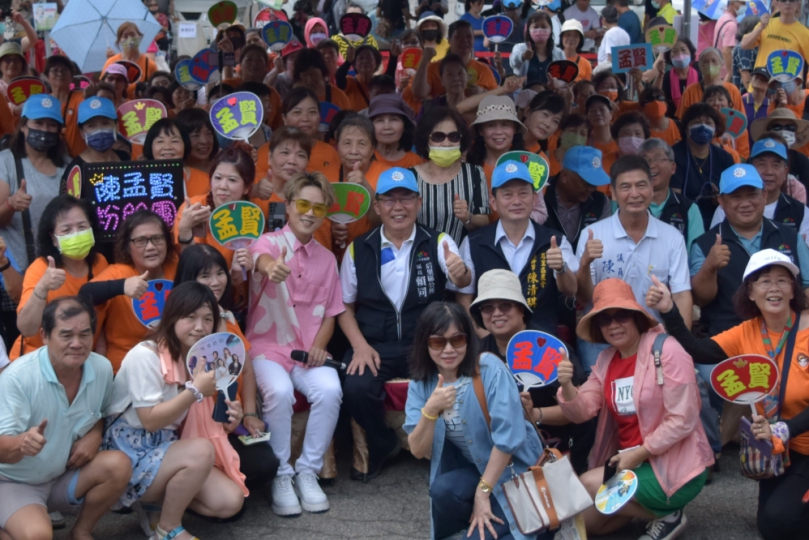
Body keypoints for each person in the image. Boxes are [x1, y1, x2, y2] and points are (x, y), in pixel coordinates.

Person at [649, 249, 809, 540]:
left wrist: (786, 428)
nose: (774, 288)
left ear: (793, 290)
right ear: (750, 292)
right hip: (780, 450)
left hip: (800, 440)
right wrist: (669, 310)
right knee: (771, 525)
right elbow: (698, 349)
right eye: (764, 281)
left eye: (782, 281)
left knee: (783, 523)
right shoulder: (747, 332)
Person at [339, 167, 471, 482]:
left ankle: (451, 450)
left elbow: (462, 280)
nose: (398, 207)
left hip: (427, 343)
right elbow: (343, 305)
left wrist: (459, 271)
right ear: (377, 206)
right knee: (356, 386)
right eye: (389, 200)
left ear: (419, 202)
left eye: (406, 198)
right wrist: (359, 345)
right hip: (375, 344)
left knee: (459, 381)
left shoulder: (438, 241)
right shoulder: (359, 248)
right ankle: (384, 444)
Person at [559, 278, 712, 539]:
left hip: (673, 463)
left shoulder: (668, 350)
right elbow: (582, 411)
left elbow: (683, 419)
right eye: (604, 320)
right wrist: (567, 385)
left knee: (589, 484)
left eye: (621, 315)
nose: (614, 325)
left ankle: (668, 514)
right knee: (591, 523)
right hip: (630, 463)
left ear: (637, 318)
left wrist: (638, 453)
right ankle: (653, 512)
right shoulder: (606, 360)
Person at [103, 282, 246, 539]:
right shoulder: (145, 356)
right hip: (129, 453)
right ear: (171, 317)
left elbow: (200, 418)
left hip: (168, 447)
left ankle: (155, 503)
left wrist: (231, 419)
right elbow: (149, 421)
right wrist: (195, 391)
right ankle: (167, 528)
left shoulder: (197, 361)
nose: (200, 327)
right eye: (190, 317)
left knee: (229, 502)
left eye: (207, 319)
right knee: (202, 450)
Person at [404, 301, 547, 540]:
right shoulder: (421, 384)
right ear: (425, 343)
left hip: (517, 474)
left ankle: (534, 526)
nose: (448, 349)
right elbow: (418, 450)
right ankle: (481, 523)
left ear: (468, 340)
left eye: (457, 339)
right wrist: (431, 409)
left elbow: (507, 441)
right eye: (438, 342)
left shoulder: (489, 368)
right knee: (442, 491)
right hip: (479, 470)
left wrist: (482, 494)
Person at [247, 172, 344, 516]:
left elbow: (331, 311)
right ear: (288, 206)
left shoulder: (328, 258)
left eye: (318, 207)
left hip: (308, 352)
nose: (309, 212)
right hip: (267, 347)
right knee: (279, 391)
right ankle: (281, 474)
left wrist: (320, 345)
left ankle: (307, 471)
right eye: (302, 203)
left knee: (331, 390)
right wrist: (271, 267)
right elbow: (259, 256)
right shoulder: (270, 243)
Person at [0, 296, 131, 540]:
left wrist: (94, 433)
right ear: (45, 335)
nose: (77, 343)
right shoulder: (18, 377)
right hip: (14, 482)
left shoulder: (101, 368)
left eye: (84, 334)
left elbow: (101, 413)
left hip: (60, 475)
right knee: (38, 535)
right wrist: (21, 443)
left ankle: (80, 532)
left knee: (119, 465)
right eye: (66, 335)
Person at [173, 244, 279, 491]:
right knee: (234, 501)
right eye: (205, 276)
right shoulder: (182, 324)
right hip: (195, 427)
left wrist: (250, 413)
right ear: (190, 279)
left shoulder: (228, 317)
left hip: (233, 418)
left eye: (220, 273)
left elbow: (247, 369)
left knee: (266, 464)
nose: (215, 281)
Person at [575, 156, 693, 371]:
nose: (635, 194)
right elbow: (584, 298)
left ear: (651, 187)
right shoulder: (593, 235)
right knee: (598, 393)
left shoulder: (672, 236)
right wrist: (584, 264)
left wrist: (682, 341)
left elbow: (682, 294)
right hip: (604, 334)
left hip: (654, 333)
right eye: (626, 187)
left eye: (641, 185)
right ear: (612, 192)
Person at [454, 159, 579, 335]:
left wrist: (561, 267)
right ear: (493, 202)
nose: (517, 201)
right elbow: (464, 297)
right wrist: (481, 335)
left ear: (535, 198)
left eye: (523, 193)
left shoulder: (555, 241)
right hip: (491, 345)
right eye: (507, 195)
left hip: (541, 342)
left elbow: (571, 290)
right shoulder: (474, 243)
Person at [690, 162, 809, 336]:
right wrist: (709, 266)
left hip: (785, 336)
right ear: (721, 201)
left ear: (764, 195)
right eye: (736, 197)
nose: (745, 203)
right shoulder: (704, 244)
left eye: (752, 195)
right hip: (727, 341)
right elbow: (700, 299)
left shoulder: (790, 236)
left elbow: (807, 285)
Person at [11, 195, 107, 362]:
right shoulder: (40, 268)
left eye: (82, 226)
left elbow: (103, 321)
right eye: (66, 230)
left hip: (81, 360)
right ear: (53, 238)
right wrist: (42, 287)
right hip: (37, 361)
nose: (76, 234)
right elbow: (26, 328)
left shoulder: (100, 263)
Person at [79, 211, 178, 373]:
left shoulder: (176, 266)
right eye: (141, 241)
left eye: (157, 238)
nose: (151, 246)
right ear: (128, 247)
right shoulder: (118, 272)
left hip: (173, 363)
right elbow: (84, 294)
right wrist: (122, 286)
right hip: (127, 368)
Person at [173, 146, 255, 302]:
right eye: (217, 178)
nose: (222, 186)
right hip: (196, 297)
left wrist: (239, 273)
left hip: (235, 299)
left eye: (232, 180)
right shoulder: (194, 207)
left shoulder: (250, 215)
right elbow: (189, 265)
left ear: (247, 187)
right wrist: (184, 230)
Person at [0, 94, 68, 272]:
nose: (45, 129)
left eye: (52, 125)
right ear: (23, 126)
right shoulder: (6, 161)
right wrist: (11, 204)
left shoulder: (67, 166)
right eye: (38, 123)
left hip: (58, 267)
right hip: (16, 269)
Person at [411, 106, 490, 245]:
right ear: (425, 141)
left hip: (462, 258)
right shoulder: (409, 176)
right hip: (420, 258)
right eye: (438, 137)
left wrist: (468, 217)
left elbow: (484, 222)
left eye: (453, 137)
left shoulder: (475, 173)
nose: (446, 143)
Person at [710, 138, 809, 242]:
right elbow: (713, 246)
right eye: (762, 164)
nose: (769, 172)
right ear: (750, 167)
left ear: (785, 172)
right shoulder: (726, 208)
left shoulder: (801, 212)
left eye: (776, 165)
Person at [670, 103, 737, 226]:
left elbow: (734, 196)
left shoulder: (724, 158)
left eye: (708, 123)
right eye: (696, 122)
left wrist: (721, 198)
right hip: (683, 219)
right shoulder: (674, 155)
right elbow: (674, 197)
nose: (702, 126)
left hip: (717, 220)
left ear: (716, 129)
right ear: (685, 128)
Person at [639, 138, 705, 251]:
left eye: (657, 158)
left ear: (673, 168)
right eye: (645, 160)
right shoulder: (625, 205)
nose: (651, 165)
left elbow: (697, 258)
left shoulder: (689, 209)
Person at [410, 20, 497, 103]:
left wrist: (482, 92)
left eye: (469, 36)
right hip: (441, 116)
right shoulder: (433, 68)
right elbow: (419, 94)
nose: (464, 40)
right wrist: (425, 60)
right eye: (459, 36)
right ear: (449, 40)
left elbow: (497, 99)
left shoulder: (483, 70)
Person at [544, 146, 612, 251]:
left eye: (595, 183)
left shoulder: (601, 202)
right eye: (586, 182)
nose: (591, 188)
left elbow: (604, 243)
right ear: (565, 176)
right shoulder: (541, 194)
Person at [142, 118, 210, 199]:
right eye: (160, 141)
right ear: (150, 146)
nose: (167, 147)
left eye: (175, 141)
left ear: (185, 144)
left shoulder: (205, 180)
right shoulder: (139, 181)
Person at [281, 87, 341, 178]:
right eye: (297, 112)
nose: (305, 119)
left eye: (312, 112)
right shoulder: (267, 152)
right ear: (284, 118)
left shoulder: (330, 153)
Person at [750, 109, 809, 192]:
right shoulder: (755, 157)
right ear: (768, 131)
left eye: (790, 128)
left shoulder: (802, 161)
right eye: (777, 127)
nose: (784, 131)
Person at [676, 47, 744, 119]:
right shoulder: (690, 91)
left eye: (714, 61)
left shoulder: (732, 90)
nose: (710, 65)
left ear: (721, 64)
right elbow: (682, 120)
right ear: (700, 66)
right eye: (705, 62)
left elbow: (741, 120)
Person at [741, 0, 809, 69]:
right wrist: (760, 28)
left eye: (792, 0)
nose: (787, 3)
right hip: (763, 77)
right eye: (783, 1)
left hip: (789, 78)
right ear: (776, 3)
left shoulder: (804, 33)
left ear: (797, 4)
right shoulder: (765, 25)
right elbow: (744, 45)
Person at [102, 22, 159, 96]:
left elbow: (156, 91)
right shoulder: (111, 62)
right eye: (125, 36)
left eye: (132, 35)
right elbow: (103, 88)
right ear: (119, 40)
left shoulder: (150, 65)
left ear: (140, 37)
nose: (130, 39)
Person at [44, 55, 85, 159]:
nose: (60, 74)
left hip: (80, 159)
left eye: (65, 71)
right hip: (50, 161)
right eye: (55, 70)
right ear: (46, 76)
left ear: (72, 77)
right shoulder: (42, 103)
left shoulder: (81, 98)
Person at [369, 93, 422, 168]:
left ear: (404, 125)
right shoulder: (365, 158)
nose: (387, 127)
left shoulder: (415, 162)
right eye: (379, 120)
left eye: (394, 119)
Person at [510, 11, 564, 84]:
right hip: (525, 94)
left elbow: (563, 78)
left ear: (551, 29)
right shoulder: (520, 48)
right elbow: (513, 63)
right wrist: (523, 56)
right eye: (535, 27)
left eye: (544, 26)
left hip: (551, 94)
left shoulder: (559, 53)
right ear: (529, 30)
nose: (539, 30)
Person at [703, 84, 749, 162]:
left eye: (720, 99)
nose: (717, 103)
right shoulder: (701, 127)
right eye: (711, 100)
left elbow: (743, 157)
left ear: (730, 104)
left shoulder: (740, 128)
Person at [658, 38, 701, 119]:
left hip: (696, 119)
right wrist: (660, 75)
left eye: (683, 50)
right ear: (669, 56)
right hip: (672, 122)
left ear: (690, 53)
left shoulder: (700, 77)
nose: (680, 54)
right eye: (675, 51)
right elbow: (658, 97)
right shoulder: (665, 77)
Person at [337, 45, 386, 112]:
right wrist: (348, 61)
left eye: (369, 58)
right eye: (360, 58)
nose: (365, 61)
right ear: (355, 63)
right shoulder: (350, 83)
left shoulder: (380, 84)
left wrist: (394, 57)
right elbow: (339, 76)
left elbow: (390, 76)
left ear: (376, 63)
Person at [175, 107, 220, 175]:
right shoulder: (176, 170)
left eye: (209, 134)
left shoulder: (222, 161)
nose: (204, 141)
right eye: (195, 135)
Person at [586, 94, 617, 180]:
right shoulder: (583, 143)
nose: (597, 113)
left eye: (602, 109)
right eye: (592, 110)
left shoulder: (621, 144)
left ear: (611, 114)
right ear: (587, 116)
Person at [714, 0, 745, 81]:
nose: (745, 6)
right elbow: (726, 50)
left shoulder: (722, 18)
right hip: (725, 72)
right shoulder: (731, 24)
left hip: (717, 67)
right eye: (742, 3)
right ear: (732, 3)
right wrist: (730, 73)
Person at [742, 67, 771, 147]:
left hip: (763, 149)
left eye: (763, 79)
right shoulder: (741, 101)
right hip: (743, 149)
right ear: (751, 79)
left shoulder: (771, 106)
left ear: (768, 84)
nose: (759, 80)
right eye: (756, 77)